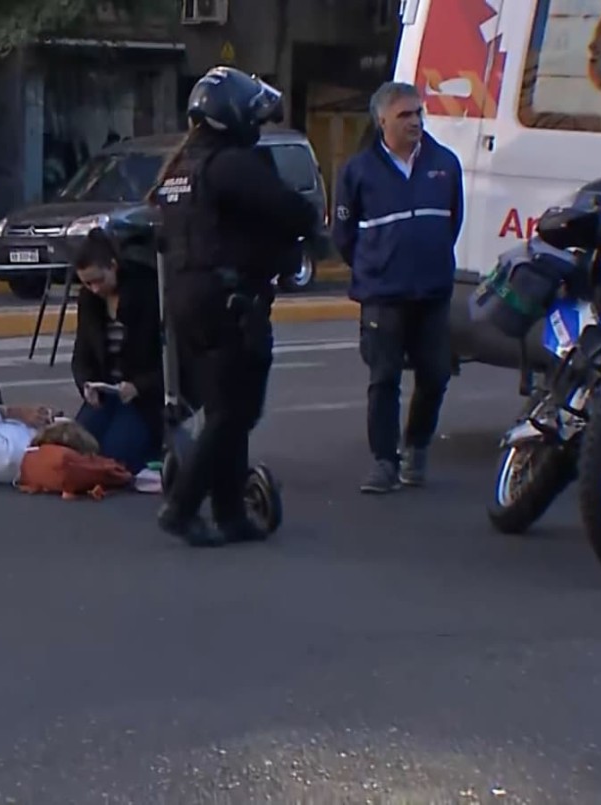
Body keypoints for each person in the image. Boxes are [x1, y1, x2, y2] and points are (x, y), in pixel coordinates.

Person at [151, 65, 319, 547]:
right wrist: (302, 231)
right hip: (229, 300)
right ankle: (182, 507)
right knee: (234, 413)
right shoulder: (230, 164)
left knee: (226, 409)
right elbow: (290, 208)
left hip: (189, 297)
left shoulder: (182, 168)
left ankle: (230, 513)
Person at [332, 81, 463, 494]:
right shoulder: (358, 171)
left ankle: (417, 447)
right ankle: (384, 462)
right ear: (382, 119)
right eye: (405, 114)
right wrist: (375, 267)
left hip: (433, 291)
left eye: (419, 113)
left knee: (435, 374)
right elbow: (343, 234)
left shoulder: (445, 164)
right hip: (382, 295)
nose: (415, 121)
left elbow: (452, 221)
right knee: (384, 377)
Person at [70, 228, 165, 475]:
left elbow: (169, 360)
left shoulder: (146, 293)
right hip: (106, 392)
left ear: (113, 266)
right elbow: (82, 354)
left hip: (142, 397)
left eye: (98, 280)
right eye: (87, 283)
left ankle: (155, 448)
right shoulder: (90, 301)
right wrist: (86, 385)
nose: (94, 288)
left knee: (115, 457)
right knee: (77, 450)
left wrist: (139, 386)